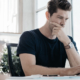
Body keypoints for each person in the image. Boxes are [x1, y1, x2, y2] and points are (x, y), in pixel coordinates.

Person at [17, 0, 80, 76]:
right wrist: (64, 71)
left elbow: (78, 69)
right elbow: (29, 70)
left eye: (66, 19)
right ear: (47, 15)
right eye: (60, 17)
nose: (63, 23)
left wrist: (67, 42)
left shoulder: (68, 40)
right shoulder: (29, 36)